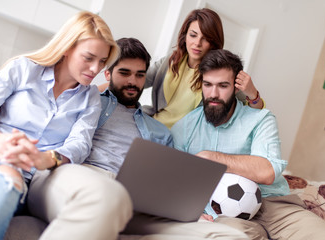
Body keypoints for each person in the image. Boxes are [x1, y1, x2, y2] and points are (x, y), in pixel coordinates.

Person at [0, 11, 132, 240]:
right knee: (6, 181)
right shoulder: (24, 69)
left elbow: (80, 144)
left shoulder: (90, 99)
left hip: (41, 173)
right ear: (67, 48)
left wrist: (48, 158)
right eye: (89, 58)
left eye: (102, 61)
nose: (96, 69)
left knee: (105, 196)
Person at [83, 37, 249, 240]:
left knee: (229, 236)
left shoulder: (160, 132)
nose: (132, 82)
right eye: (124, 73)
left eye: (140, 75)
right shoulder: (90, 102)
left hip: (138, 201)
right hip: (95, 182)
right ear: (108, 74)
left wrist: (189, 210)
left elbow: (167, 184)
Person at [170, 49, 325, 240]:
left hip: (273, 205)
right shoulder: (184, 127)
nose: (213, 94)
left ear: (236, 87)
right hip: (223, 215)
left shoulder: (261, 119)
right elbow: (175, 181)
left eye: (223, 85)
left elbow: (266, 172)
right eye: (208, 85)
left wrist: (211, 158)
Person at [142, 8, 264, 128]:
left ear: (214, 43)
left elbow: (254, 110)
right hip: (153, 125)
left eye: (205, 38)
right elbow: (140, 80)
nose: (197, 43)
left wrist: (253, 93)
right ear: (185, 36)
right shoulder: (170, 61)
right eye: (193, 35)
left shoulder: (219, 74)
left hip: (182, 139)